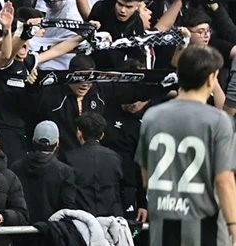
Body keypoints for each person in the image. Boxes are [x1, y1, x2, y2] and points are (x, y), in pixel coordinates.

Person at [137, 44, 236, 245]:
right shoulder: (218, 121)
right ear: (211, 79)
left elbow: (145, 174)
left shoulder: (151, 117)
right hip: (204, 224)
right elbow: (223, 180)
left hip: (163, 221)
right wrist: (233, 224)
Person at [8, 121, 78, 222]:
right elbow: (68, 208)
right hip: (51, 229)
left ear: (33, 141)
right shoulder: (65, 172)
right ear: (57, 143)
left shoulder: (16, 167)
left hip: (21, 227)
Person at [64, 111, 124, 217]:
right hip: (110, 218)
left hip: (81, 219)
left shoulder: (69, 158)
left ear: (79, 133)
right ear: (102, 135)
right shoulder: (115, 158)